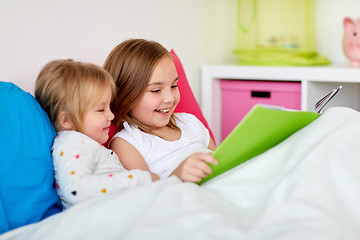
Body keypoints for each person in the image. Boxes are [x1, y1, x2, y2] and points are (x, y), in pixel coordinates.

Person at [35, 59, 159, 209]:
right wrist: (141, 179)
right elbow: (76, 190)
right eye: (101, 110)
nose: (111, 116)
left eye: (109, 107)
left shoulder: (82, 144)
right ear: (66, 120)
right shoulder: (73, 143)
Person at [104, 39, 218, 183]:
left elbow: (220, 163)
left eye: (174, 86)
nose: (170, 98)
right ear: (125, 95)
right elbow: (147, 197)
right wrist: (177, 177)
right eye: (156, 90)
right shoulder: (128, 143)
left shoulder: (191, 122)